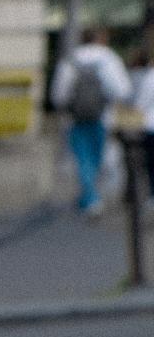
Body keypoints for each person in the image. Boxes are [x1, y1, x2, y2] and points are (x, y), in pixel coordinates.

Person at [51, 28, 131, 217]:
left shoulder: (71, 60)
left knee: (82, 158)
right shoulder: (108, 58)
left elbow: (59, 94)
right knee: (99, 156)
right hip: (103, 117)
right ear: (101, 39)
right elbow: (122, 90)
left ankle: (89, 196)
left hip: (75, 118)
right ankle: (94, 195)